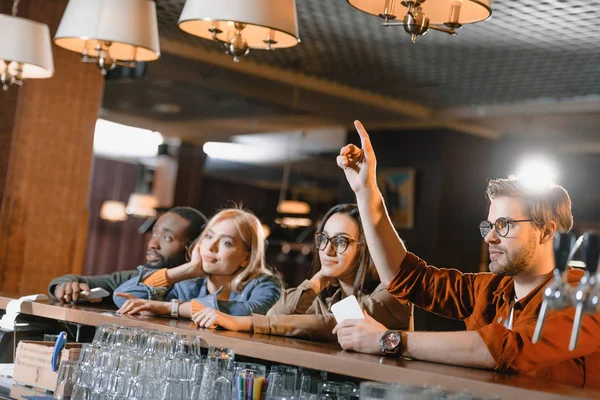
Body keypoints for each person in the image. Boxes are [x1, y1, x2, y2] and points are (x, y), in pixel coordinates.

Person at [332, 120, 600, 388]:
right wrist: (366, 191)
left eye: (504, 225)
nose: (489, 237)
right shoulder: (491, 290)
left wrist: (389, 340)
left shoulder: (585, 300)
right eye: (489, 225)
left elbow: (511, 349)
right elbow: (406, 277)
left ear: (546, 231)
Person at [188, 203, 412, 339]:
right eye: (323, 239)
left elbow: (334, 323)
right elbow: (276, 317)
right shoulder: (328, 294)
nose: (328, 250)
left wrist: (243, 322)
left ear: (367, 247)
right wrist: (317, 280)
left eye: (341, 241)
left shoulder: (393, 291)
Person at [113, 208, 282, 321]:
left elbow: (249, 311)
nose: (211, 246)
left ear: (247, 257)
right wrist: (186, 270)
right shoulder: (188, 283)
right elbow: (122, 296)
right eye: (208, 236)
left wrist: (170, 308)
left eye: (226, 243)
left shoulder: (265, 284)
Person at [48, 207, 207, 304]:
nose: (152, 244)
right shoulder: (134, 278)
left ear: (193, 248)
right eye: (154, 233)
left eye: (167, 238)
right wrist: (64, 287)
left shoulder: (205, 288)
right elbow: (71, 280)